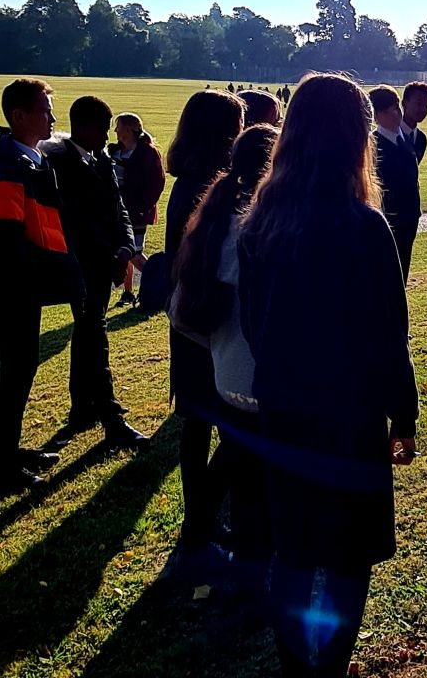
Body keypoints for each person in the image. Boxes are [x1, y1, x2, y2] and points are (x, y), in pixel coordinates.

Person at [239, 73, 418, 678]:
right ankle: (330, 662)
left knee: (294, 543)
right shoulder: (363, 226)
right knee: (346, 549)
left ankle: (298, 662)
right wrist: (404, 414)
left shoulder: (260, 221)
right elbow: (388, 334)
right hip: (348, 414)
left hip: (284, 405)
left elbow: (254, 323)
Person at [170, 122, 279, 593]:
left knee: (239, 461)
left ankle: (210, 547)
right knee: (244, 465)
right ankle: (219, 555)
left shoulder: (219, 211)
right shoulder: (252, 224)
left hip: (226, 363)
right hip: (251, 371)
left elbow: (187, 309)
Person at [0, 78, 83, 494]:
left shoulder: (30, 159)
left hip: (26, 287)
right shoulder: (9, 169)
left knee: (22, 374)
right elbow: (3, 238)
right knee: (15, 377)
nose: (53, 118)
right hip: (14, 290)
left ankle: (11, 451)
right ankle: (2, 467)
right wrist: (30, 282)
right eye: (44, 110)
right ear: (19, 116)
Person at [165, 88, 246, 556]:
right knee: (206, 420)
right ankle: (201, 520)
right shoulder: (207, 186)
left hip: (191, 314)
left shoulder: (191, 179)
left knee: (198, 420)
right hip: (205, 317)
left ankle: (203, 516)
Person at [42, 96, 149, 449]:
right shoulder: (59, 163)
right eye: (103, 129)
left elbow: (117, 206)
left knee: (88, 333)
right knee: (95, 336)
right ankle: (111, 418)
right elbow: (75, 222)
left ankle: (82, 407)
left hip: (105, 263)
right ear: (85, 126)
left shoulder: (99, 158)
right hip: (83, 267)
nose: (108, 137)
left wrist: (126, 245)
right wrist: (112, 252)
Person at [109, 112, 166, 307]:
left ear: (128, 129)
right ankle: (127, 293)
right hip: (118, 210)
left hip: (137, 211)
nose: (115, 130)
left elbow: (157, 182)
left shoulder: (146, 152)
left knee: (134, 252)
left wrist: (144, 206)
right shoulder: (114, 151)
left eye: (118, 126)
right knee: (125, 249)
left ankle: (160, 284)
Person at [369, 85, 421, 284]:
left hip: (410, 216)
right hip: (389, 219)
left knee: (403, 268)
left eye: (397, 106)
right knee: (387, 272)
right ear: (378, 115)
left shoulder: (406, 138)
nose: (397, 113)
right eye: (390, 109)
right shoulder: (373, 144)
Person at [401, 81, 427, 164]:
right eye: (419, 104)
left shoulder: (421, 139)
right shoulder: (389, 136)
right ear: (405, 103)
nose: (423, 109)